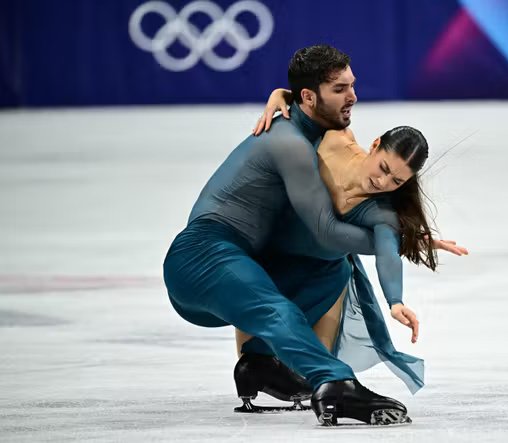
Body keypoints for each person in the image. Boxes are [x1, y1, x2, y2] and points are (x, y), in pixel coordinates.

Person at [164, 44, 414, 426]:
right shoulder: (290, 143)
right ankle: (334, 382)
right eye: (340, 89)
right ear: (309, 97)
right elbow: (326, 231)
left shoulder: (316, 131)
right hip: (201, 255)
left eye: (352, 85)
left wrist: (280, 94)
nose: (352, 96)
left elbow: (327, 243)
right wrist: (397, 243)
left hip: (237, 259)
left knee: (330, 268)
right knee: (277, 303)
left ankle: (261, 364)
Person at [234, 95, 468, 408]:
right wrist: (281, 94)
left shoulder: (380, 212)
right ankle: (253, 368)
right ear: (375, 144)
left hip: (312, 260)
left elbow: (386, 248)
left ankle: (312, 377)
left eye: (396, 181)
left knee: (339, 269)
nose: (382, 182)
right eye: (383, 167)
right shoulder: (336, 139)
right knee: (256, 292)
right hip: (267, 237)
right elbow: (313, 98)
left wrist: (395, 301)